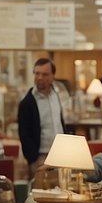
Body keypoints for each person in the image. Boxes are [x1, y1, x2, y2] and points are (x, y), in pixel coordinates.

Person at [17, 57, 68, 185]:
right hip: (40, 157)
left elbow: (59, 121)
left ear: (53, 76)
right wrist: (32, 158)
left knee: (61, 192)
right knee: (40, 195)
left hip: (59, 155)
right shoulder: (27, 103)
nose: (40, 77)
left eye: (44, 74)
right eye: (37, 73)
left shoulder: (55, 95)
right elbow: (24, 133)